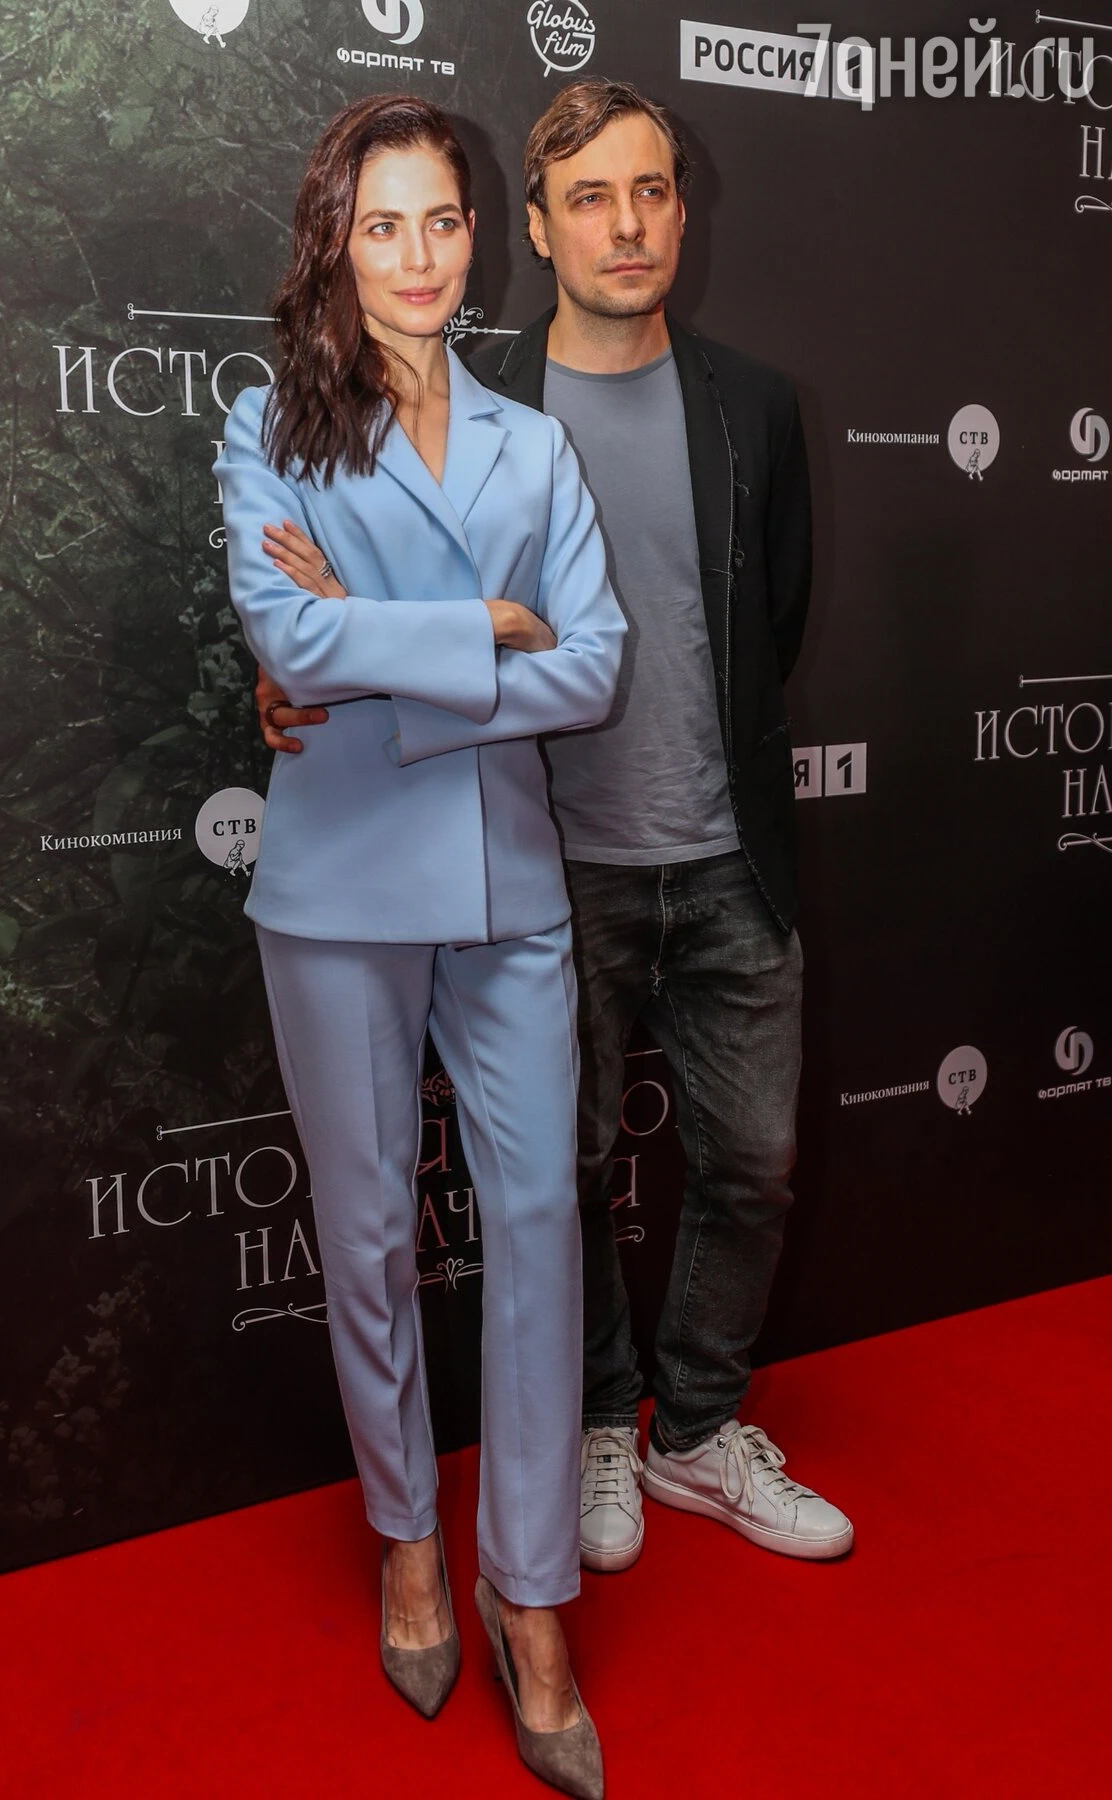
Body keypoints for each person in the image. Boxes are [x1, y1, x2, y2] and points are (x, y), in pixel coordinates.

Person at [256, 78, 853, 1580]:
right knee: (556, 1184)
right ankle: (591, 1427)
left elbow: (765, 625)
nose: (627, 224)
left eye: (652, 191)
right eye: (590, 197)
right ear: (532, 227)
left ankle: (696, 1428)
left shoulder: (756, 407)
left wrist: (375, 655)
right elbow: (325, 617)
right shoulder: (471, 388)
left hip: (725, 853)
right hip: (546, 864)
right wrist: (396, 656)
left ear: (683, 211)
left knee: (753, 1164)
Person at [215, 93, 623, 1800]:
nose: (414, 256)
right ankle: (405, 1533)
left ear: (478, 237)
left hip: (510, 884)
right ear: (336, 239)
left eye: (440, 220)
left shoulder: (534, 446)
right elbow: (285, 633)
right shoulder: (271, 424)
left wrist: (389, 666)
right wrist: (479, 630)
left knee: (536, 1226)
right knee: (371, 1232)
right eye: (380, 224)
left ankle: (531, 1591)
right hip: (336, 892)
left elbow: (591, 666)